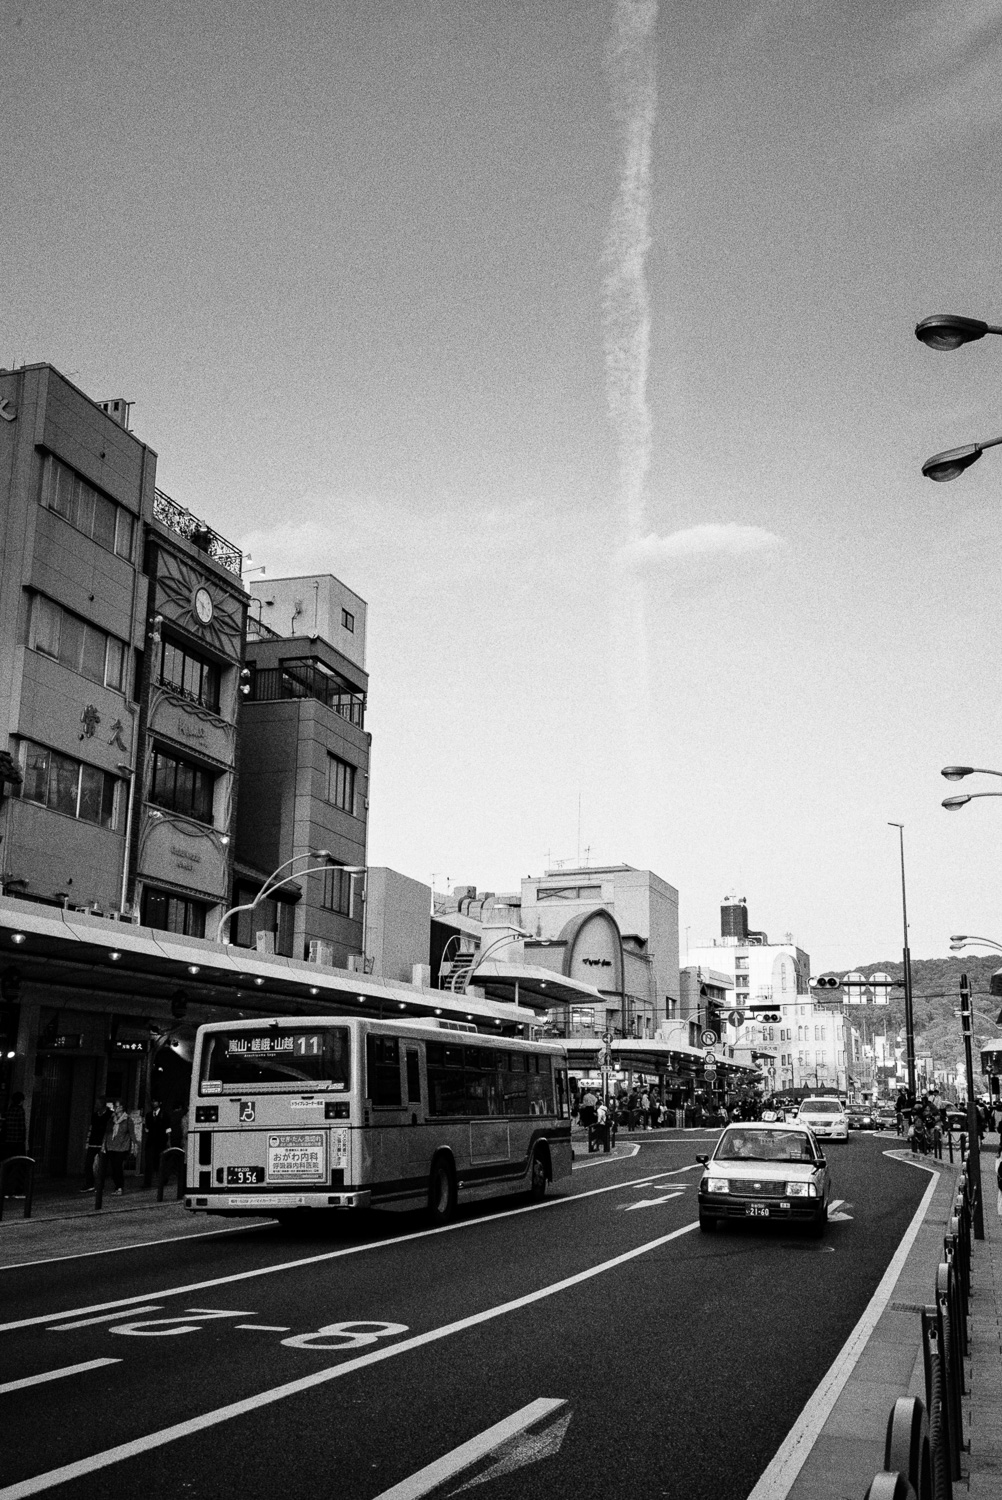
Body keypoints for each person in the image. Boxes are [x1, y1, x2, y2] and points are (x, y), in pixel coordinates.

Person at [102, 1100, 137, 1195]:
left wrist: (134, 1146)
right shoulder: (111, 1119)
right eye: (114, 1106)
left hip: (122, 1147)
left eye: (116, 1106)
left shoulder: (127, 1120)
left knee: (118, 1166)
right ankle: (117, 1186)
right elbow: (107, 1131)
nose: (115, 1108)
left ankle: (119, 1187)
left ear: (121, 1107)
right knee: (113, 1167)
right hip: (111, 1146)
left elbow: (132, 1133)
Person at [0, 1092, 27, 1197]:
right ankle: (18, 1189)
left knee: (8, 1165)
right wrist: (23, 1140)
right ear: (20, 1100)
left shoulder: (9, 1111)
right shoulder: (20, 1111)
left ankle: (6, 1188)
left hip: (8, 1142)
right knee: (20, 1165)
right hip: (18, 1142)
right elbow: (22, 1127)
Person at [82, 1096, 110, 1191]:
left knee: (102, 1165)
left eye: (98, 1103)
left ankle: (100, 1185)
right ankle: (89, 1184)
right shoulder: (94, 1115)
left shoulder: (109, 1115)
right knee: (88, 1163)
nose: (96, 1105)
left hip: (103, 1142)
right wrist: (87, 1141)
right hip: (93, 1142)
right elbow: (91, 1128)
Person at [142, 1100, 170, 1188]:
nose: (154, 1103)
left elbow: (168, 1128)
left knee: (160, 1161)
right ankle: (147, 1182)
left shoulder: (164, 1114)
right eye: (153, 1101)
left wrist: (168, 1140)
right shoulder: (149, 1115)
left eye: (156, 1101)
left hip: (161, 1140)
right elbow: (147, 1128)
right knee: (149, 1162)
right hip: (151, 1140)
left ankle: (163, 1179)